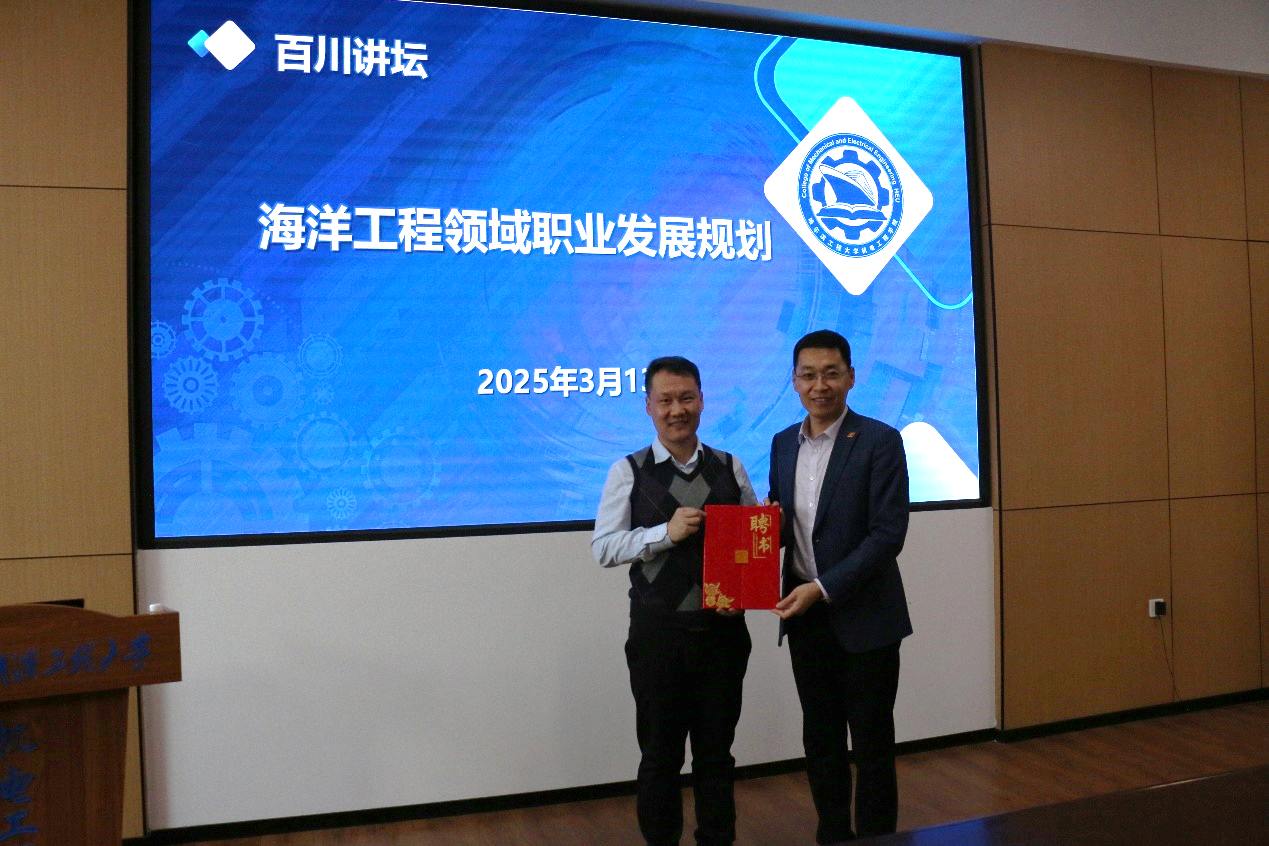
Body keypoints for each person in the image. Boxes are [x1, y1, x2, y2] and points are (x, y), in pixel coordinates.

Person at [593, 355, 759, 846]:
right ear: (648, 406)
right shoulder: (628, 471)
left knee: (717, 755)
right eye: (665, 400)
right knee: (660, 756)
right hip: (658, 638)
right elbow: (604, 548)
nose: (677, 410)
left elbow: (750, 545)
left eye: (686, 398)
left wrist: (744, 588)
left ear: (702, 400)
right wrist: (664, 533)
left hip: (722, 636)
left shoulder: (730, 466)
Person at [767, 329, 912, 843]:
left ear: (851, 377)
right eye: (808, 375)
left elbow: (887, 535)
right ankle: (831, 833)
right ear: (794, 381)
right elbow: (784, 524)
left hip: (866, 618)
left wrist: (823, 587)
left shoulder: (879, 440)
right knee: (821, 740)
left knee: (872, 746)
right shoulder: (782, 443)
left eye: (831, 373)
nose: (820, 385)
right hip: (806, 619)